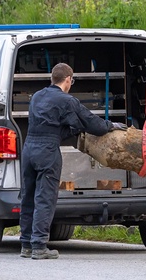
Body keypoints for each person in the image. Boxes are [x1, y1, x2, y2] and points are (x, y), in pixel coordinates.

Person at [19, 62, 126, 260]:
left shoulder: (37, 97)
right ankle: (39, 245)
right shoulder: (67, 100)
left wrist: (72, 129)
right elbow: (91, 122)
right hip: (47, 151)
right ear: (68, 80)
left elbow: (51, 126)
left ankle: (26, 244)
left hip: (29, 148)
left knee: (29, 195)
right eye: (72, 80)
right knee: (45, 197)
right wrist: (110, 125)